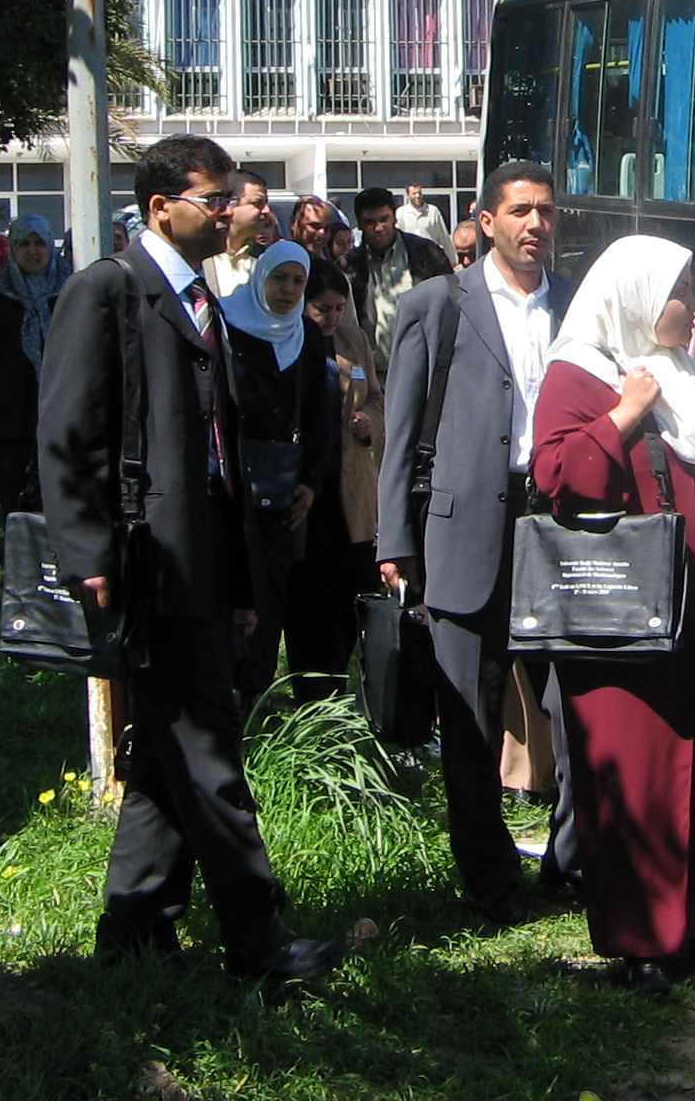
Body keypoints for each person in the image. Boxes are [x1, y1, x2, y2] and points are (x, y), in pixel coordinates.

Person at [38, 134, 346, 983]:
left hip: (208, 559)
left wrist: (241, 575)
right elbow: (68, 431)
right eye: (213, 200)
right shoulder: (109, 291)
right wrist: (88, 554)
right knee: (208, 749)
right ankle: (260, 942)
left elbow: (222, 454)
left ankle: (135, 931)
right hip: (153, 564)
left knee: (165, 758)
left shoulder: (205, 300)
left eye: (229, 199)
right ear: (159, 208)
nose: (228, 213)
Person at [531, 235, 695, 999]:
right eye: (679, 291)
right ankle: (640, 939)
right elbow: (557, 473)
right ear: (636, 297)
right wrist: (624, 413)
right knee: (639, 764)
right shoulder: (580, 372)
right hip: (623, 611)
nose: (692, 304)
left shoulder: (689, 372)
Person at [376, 162, 574, 923]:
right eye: (520, 211)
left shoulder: (574, 304)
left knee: (574, 703)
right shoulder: (437, 304)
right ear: (486, 221)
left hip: (555, 527)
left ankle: (572, 859)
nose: (536, 224)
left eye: (546, 211)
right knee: (471, 716)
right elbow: (401, 430)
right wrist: (396, 537)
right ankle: (491, 880)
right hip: (464, 531)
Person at [218, 240, 327, 709]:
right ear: (261, 277)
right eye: (279, 278)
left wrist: (310, 482)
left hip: (282, 492)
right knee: (231, 593)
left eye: (298, 281)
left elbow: (319, 412)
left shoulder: (306, 334)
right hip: (230, 488)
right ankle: (224, 700)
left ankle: (256, 701)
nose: (288, 290)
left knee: (270, 598)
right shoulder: (227, 324)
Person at [288, 257, 382, 702]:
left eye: (339, 308)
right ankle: (312, 696)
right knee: (313, 604)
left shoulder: (353, 340)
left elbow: (377, 398)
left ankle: (354, 695)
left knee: (354, 598)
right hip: (308, 493)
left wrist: (370, 423)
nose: (332, 318)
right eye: (322, 309)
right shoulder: (289, 341)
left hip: (352, 492)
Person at [0, 214, 73, 521]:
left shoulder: (71, 291)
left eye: (39, 243)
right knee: (18, 504)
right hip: (11, 419)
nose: (32, 251)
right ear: (12, 249)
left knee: (64, 500)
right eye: (24, 244)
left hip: (62, 412)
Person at [346, 186, 452, 377]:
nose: (378, 228)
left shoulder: (427, 254)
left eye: (383, 219)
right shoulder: (349, 265)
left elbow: (451, 304)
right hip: (372, 373)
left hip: (421, 369)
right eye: (370, 222)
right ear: (359, 224)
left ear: (394, 217)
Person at [203, 170, 273, 299]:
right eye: (258, 203)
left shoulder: (264, 259)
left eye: (266, 203)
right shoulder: (201, 257)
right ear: (230, 204)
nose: (266, 210)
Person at [397, 183, 455, 256]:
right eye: (414, 193)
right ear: (408, 196)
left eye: (419, 193)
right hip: (411, 255)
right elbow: (398, 237)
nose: (417, 196)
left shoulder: (433, 211)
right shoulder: (401, 212)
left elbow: (444, 236)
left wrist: (452, 257)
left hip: (431, 254)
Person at [289, 195, 339, 260]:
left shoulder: (328, 264)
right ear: (293, 222)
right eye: (315, 226)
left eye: (328, 228)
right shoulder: (280, 258)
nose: (322, 233)